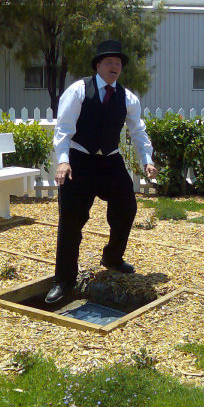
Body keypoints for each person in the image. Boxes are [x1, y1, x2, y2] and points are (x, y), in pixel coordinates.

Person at [45, 39, 158, 304]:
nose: (114, 67)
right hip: (79, 159)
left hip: (110, 160)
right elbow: (64, 128)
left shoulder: (128, 98)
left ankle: (113, 257)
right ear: (98, 65)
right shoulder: (78, 90)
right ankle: (64, 280)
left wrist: (147, 159)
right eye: (109, 62)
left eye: (118, 63)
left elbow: (138, 131)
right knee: (71, 220)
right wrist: (63, 161)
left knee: (127, 207)